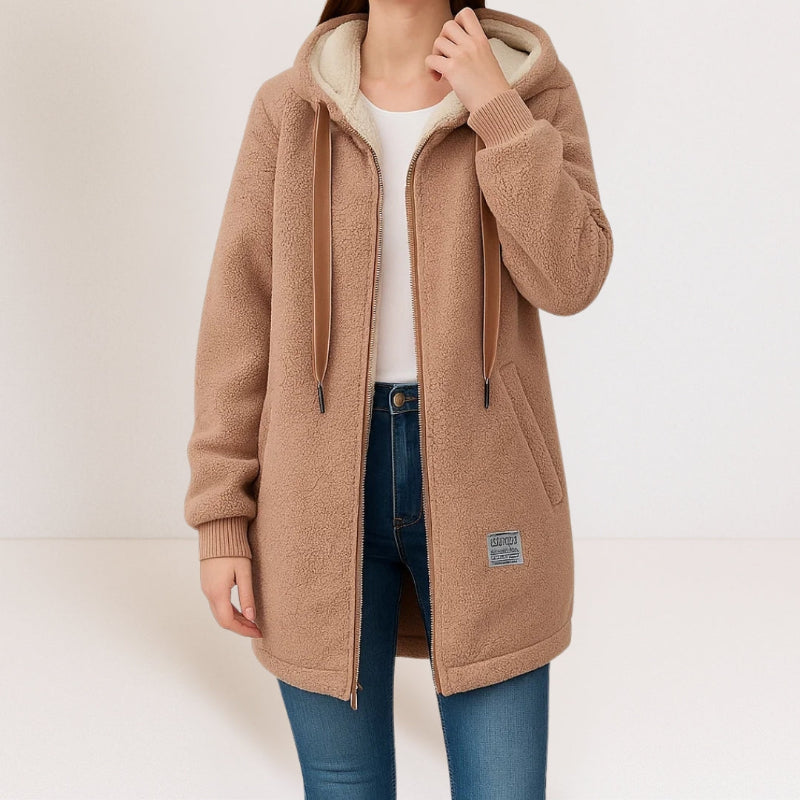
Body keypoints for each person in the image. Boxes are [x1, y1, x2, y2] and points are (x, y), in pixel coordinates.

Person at [184, 1, 614, 797]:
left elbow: (573, 276)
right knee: (343, 785)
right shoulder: (290, 108)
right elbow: (239, 319)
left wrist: (496, 109)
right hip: (313, 496)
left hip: (489, 487)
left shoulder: (529, 88)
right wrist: (221, 517)